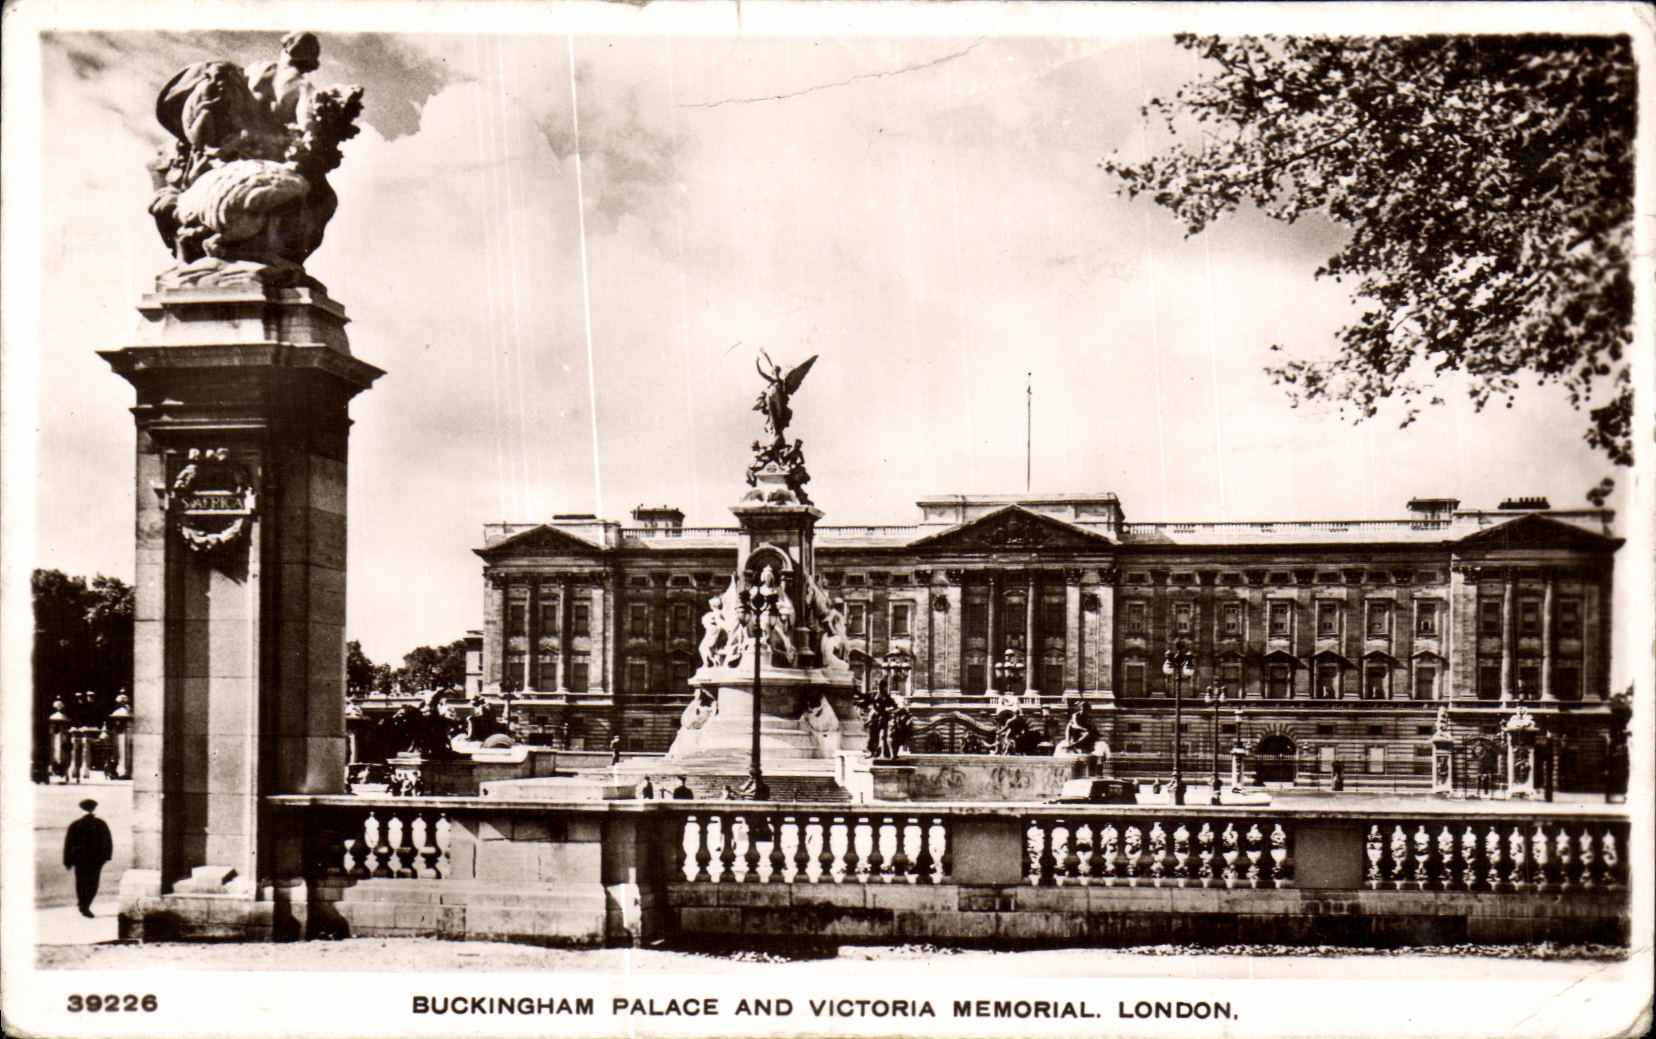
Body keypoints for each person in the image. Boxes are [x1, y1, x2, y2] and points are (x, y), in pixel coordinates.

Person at [63, 799, 113, 918]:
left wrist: (68, 861)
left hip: (80, 860)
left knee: (81, 882)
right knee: (93, 883)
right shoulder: (100, 824)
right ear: (94, 809)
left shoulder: (75, 825)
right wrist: (107, 856)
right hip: (96, 860)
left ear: (81, 809)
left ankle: (82, 904)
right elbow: (108, 842)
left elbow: (68, 844)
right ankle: (85, 905)